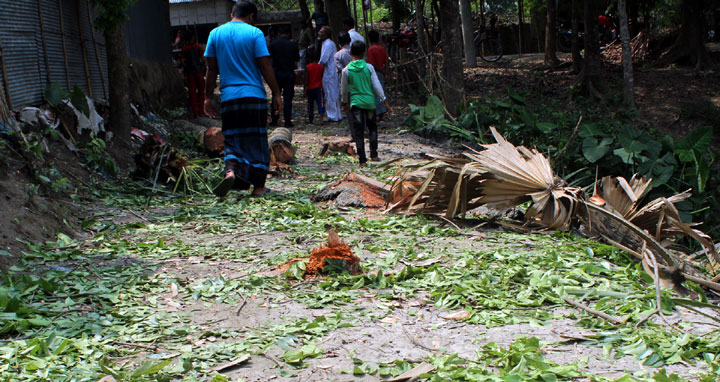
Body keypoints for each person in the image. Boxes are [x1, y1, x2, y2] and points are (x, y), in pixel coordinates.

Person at [204, 1, 282, 197]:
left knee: (232, 139)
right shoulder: (254, 33)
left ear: (232, 13)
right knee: (256, 141)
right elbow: (265, 65)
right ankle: (259, 187)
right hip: (253, 95)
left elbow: (211, 68)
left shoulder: (215, 34)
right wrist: (277, 93)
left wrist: (208, 97)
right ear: (251, 16)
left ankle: (230, 171)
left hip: (229, 97)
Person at [341, 41, 390, 165]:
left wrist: (344, 102)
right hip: (369, 102)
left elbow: (344, 89)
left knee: (359, 132)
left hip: (356, 103)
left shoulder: (346, 70)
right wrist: (384, 100)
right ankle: (374, 155)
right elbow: (376, 85)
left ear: (351, 52)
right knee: (372, 128)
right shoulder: (369, 67)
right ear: (364, 54)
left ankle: (362, 160)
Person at [269, 24, 299, 127]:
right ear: (289, 34)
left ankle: (274, 119)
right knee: (288, 98)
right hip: (289, 73)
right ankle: (287, 120)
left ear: (278, 34)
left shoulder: (273, 44)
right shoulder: (293, 44)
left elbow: (269, 58)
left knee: (275, 96)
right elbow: (297, 58)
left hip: (276, 73)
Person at [318, 26, 342, 122]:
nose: (319, 33)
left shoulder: (328, 44)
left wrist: (317, 67)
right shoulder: (326, 43)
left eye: (321, 32)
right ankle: (336, 114)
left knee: (330, 93)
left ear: (326, 34)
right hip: (329, 72)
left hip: (330, 72)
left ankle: (333, 116)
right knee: (332, 93)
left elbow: (324, 59)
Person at [180, 30, 206, 118]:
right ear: (193, 38)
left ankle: (195, 112)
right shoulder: (198, 48)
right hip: (199, 72)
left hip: (190, 73)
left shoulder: (184, 49)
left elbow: (183, 62)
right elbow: (203, 60)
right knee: (201, 92)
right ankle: (202, 111)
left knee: (192, 93)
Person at [366, 29, 389, 120]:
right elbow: (386, 62)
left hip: (375, 73)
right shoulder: (382, 48)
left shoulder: (371, 49)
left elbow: (372, 64)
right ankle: (382, 112)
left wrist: (380, 71)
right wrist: (386, 73)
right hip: (381, 72)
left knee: (374, 93)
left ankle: (377, 112)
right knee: (381, 91)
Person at [305, 46, 324, 125]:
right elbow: (321, 76)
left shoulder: (308, 67)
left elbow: (306, 79)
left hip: (310, 87)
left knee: (310, 105)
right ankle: (321, 119)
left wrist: (305, 88)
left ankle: (310, 119)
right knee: (320, 103)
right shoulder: (321, 67)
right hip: (318, 87)